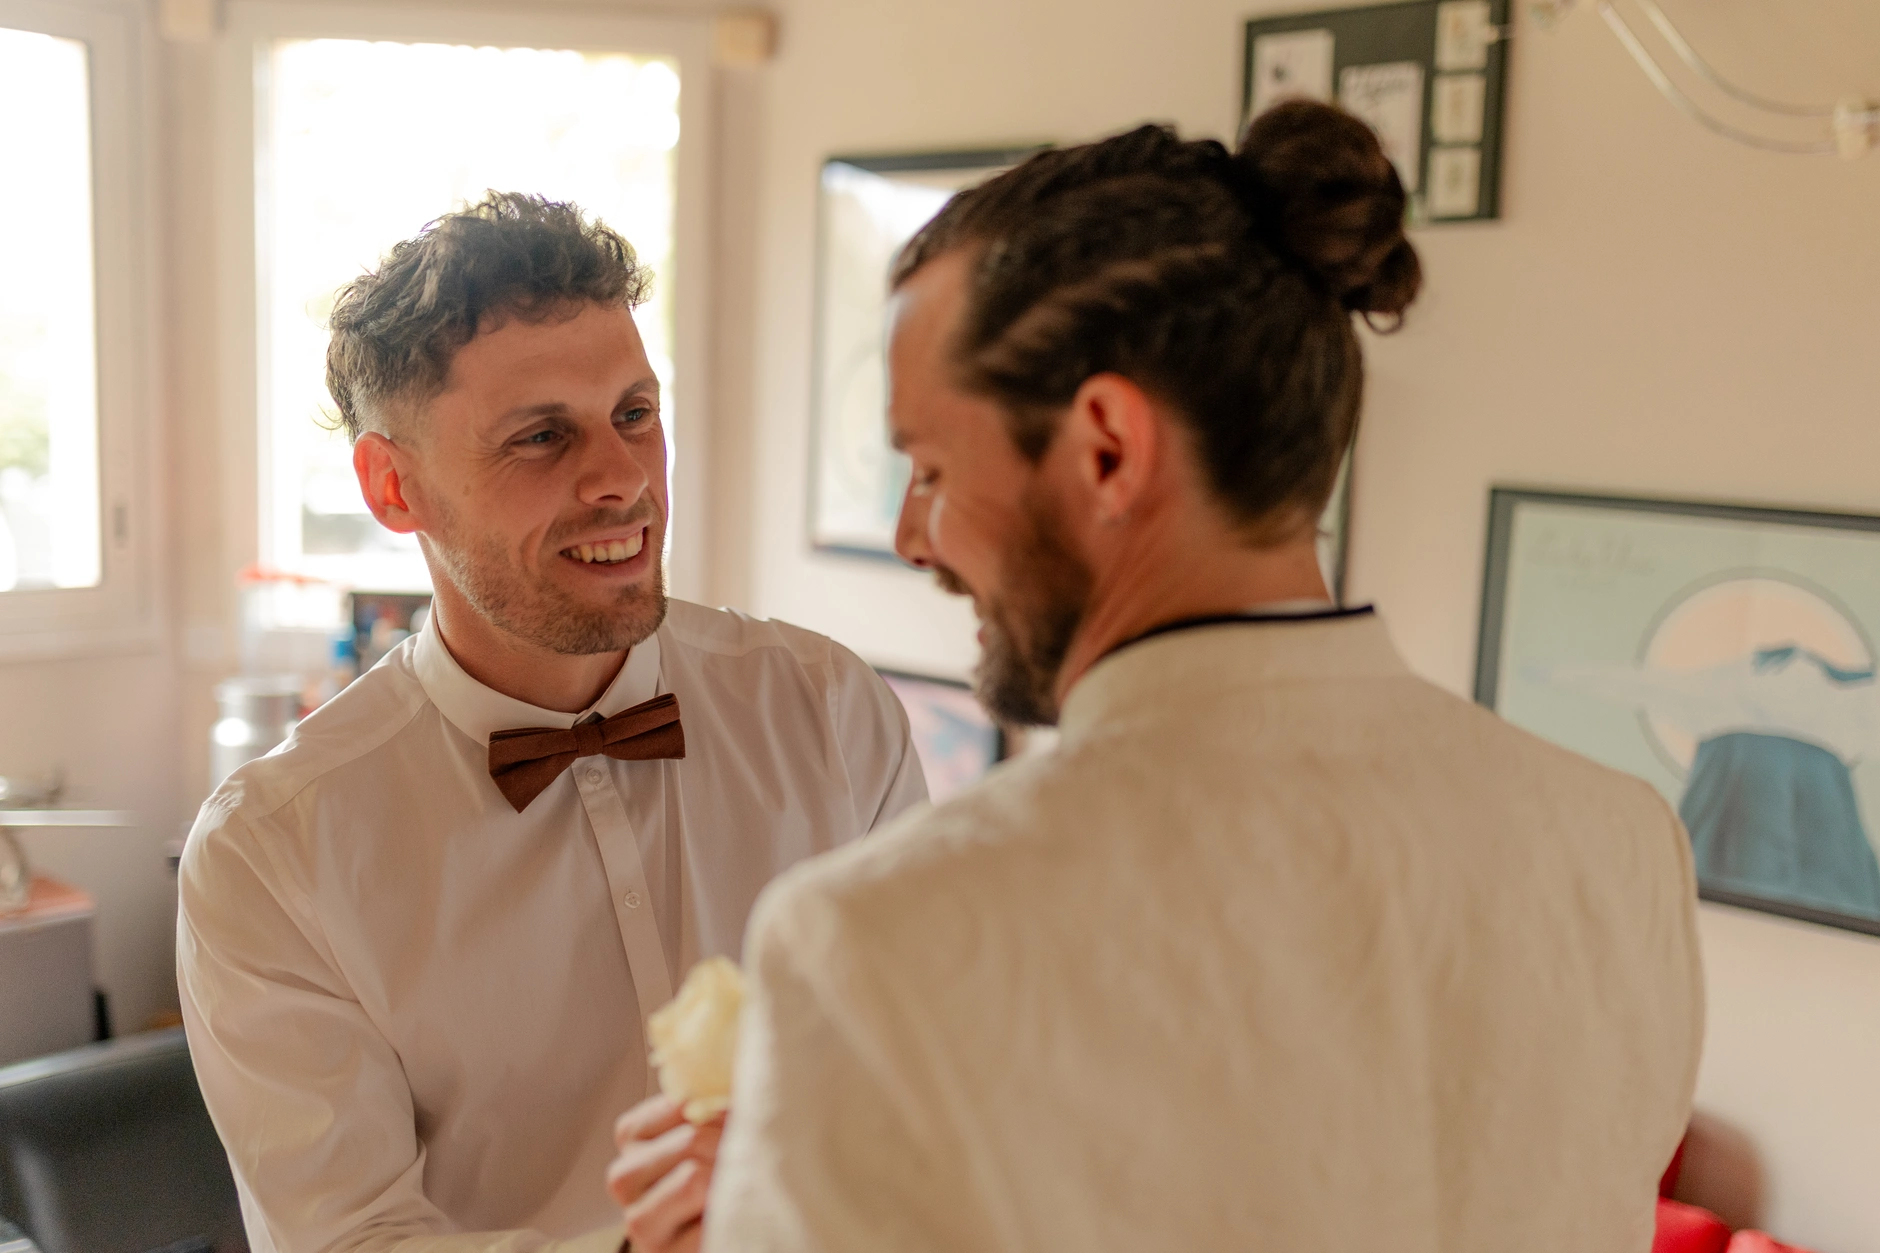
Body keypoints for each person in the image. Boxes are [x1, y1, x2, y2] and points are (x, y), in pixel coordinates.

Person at [617, 101, 1705, 1251]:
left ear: (1105, 449)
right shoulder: (1620, 841)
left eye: (930, 467)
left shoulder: (880, 938)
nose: (910, 535)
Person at [176, 193, 926, 1253]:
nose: (621, 479)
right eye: (540, 436)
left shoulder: (828, 711)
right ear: (395, 486)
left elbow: (924, 1067)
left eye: (634, 413)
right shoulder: (273, 852)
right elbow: (348, 1237)